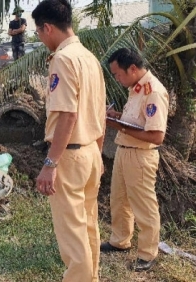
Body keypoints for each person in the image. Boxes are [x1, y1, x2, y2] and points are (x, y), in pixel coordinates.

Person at [32, 1, 106, 281]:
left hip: (70, 156)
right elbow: (99, 113)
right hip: (89, 153)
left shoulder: (62, 60)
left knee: (73, 236)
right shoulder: (89, 58)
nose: (40, 39)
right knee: (88, 226)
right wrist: (97, 155)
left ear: (48, 28)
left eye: (39, 33)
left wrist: (50, 163)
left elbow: (67, 117)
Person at [100, 48, 168, 272]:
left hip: (140, 155)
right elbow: (135, 120)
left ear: (132, 68)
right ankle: (120, 241)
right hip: (124, 150)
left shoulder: (153, 91)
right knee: (119, 200)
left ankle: (148, 253)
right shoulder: (136, 88)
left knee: (144, 206)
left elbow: (156, 134)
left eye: (118, 74)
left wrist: (117, 125)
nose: (117, 79)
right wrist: (116, 116)